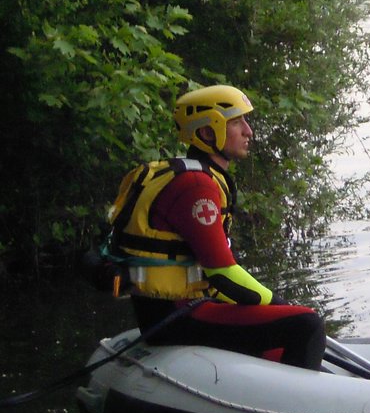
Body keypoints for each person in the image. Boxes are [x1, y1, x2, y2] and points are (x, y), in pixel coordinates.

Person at [101, 85, 326, 369]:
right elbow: (222, 274)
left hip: (173, 310)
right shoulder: (196, 185)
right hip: (178, 319)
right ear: (208, 132)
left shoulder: (185, 174)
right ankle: (298, 405)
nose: (248, 132)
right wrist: (281, 304)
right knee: (306, 325)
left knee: (283, 319)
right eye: (236, 122)